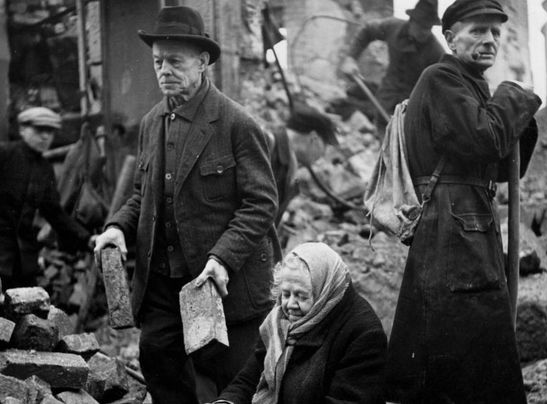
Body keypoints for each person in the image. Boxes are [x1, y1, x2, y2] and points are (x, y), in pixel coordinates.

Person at [92, 6, 279, 404]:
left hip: (223, 287)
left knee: (233, 385)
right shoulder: (151, 122)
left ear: (203, 62)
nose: (164, 70)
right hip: (162, 286)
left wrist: (223, 259)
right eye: (158, 61)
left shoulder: (236, 124)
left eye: (175, 61)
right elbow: (142, 195)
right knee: (162, 371)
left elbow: (261, 204)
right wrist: (117, 228)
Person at [382, 0, 542, 402]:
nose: (489, 40)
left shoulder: (469, 84)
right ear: (451, 39)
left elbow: (507, 167)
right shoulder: (441, 78)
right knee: (464, 350)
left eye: (496, 33)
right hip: (455, 230)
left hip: (465, 224)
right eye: (477, 31)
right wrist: (512, 97)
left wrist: (513, 115)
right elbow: (483, 139)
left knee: (465, 349)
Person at [212, 242, 387, 404]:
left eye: (301, 296)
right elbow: (250, 378)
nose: (289, 305)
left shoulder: (363, 334)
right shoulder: (279, 320)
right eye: (286, 294)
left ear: (324, 293)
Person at [0, 107, 91, 289]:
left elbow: (55, 213)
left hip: (22, 261)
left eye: (50, 132)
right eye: (39, 130)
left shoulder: (44, 169)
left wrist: (87, 238)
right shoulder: (2, 153)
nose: (45, 137)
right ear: (23, 130)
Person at [341, 0, 444, 128]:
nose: (424, 32)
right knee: (383, 140)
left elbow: (441, 87)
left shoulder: (436, 52)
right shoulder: (393, 27)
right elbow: (367, 31)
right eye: (421, 26)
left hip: (410, 113)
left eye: (428, 27)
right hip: (385, 100)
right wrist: (351, 58)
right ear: (411, 21)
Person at [268, 103, 338, 226]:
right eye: (325, 145)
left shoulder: (288, 162)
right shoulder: (267, 148)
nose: (323, 154)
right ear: (313, 138)